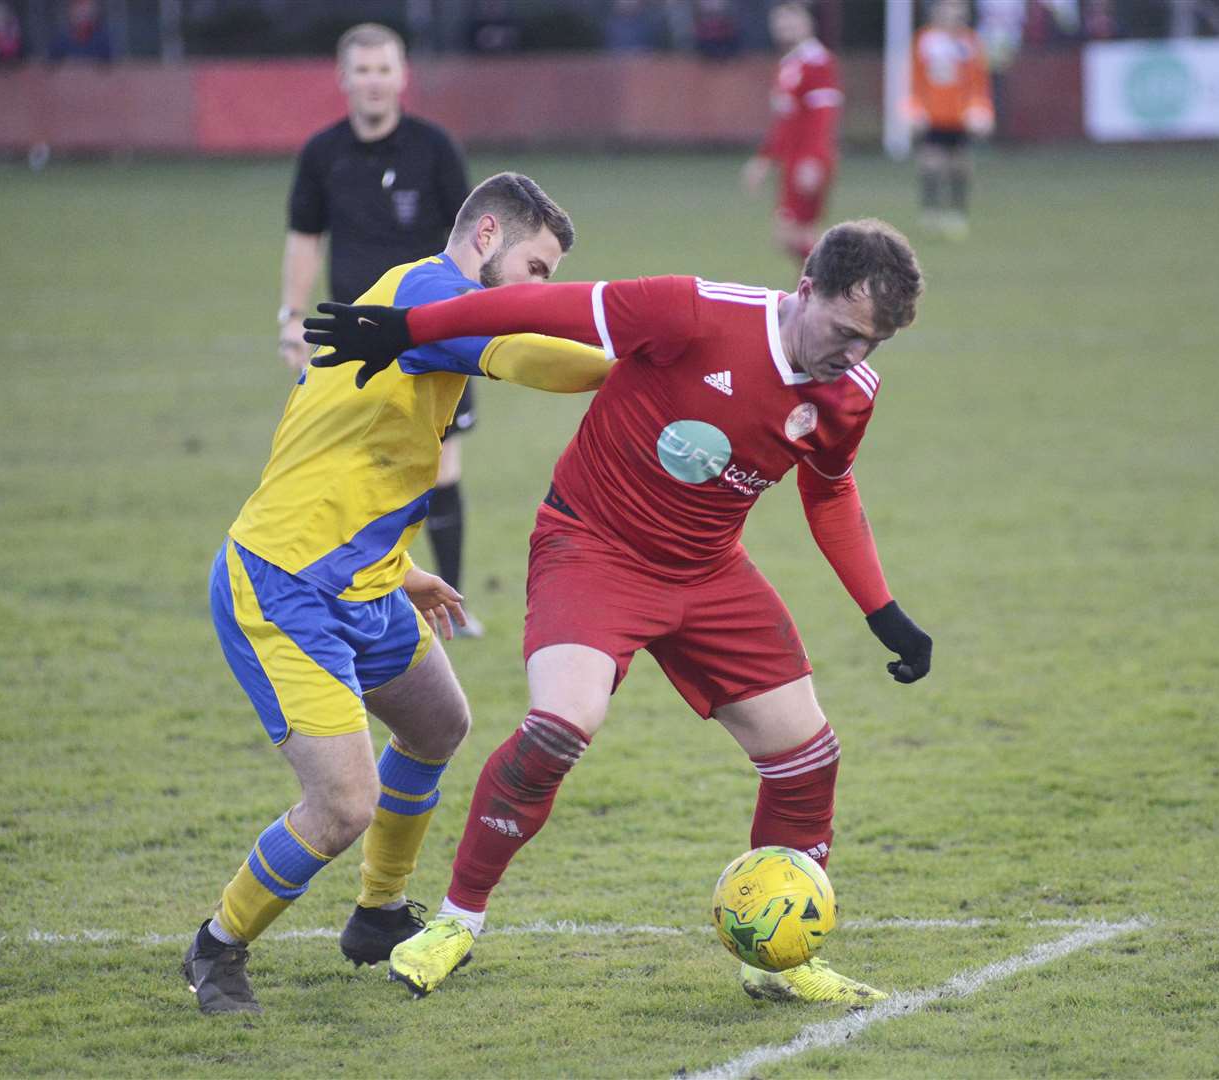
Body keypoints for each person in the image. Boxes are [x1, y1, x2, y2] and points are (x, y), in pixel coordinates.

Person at [303, 218, 933, 1005]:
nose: (853, 356)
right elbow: (542, 309)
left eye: (871, 344)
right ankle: (456, 923)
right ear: (805, 290)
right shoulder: (692, 313)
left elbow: (830, 489)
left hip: (708, 570)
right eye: (844, 332)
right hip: (592, 548)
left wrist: (883, 611)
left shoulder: (849, 392)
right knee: (559, 729)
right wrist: (407, 328)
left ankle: (779, 961)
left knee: (808, 757)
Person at [182, 173, 612, 1016]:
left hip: (361, 575)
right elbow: (526, 356)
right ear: (485, 235)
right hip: (284, 583)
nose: (542, 291)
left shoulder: (420, 299)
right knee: (342, 803)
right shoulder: (429, 293)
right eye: (538, 268)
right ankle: (215, 948)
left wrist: (401, 565)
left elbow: (355, 440)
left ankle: (377, 914)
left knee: (438, 722)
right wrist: (635, 364)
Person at [277, 24, 487, 634]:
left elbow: (474, 238)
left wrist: (467, 315)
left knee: (440, 465)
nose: (373, 81)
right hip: (355, 339)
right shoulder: (322, 153)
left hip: (434, 332)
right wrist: (291, 319)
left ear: (403, 76)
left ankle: (454, 603)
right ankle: (356, 592)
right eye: (361, 70)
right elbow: (304, 239)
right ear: (343, 80)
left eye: (383, 69)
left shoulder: (435, 148)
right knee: (356, 467)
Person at [741, 2, 843, 265]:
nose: (785, 27)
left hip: (809, 158)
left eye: (792, 21)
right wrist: (764, 160)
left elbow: (824, 117)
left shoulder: (818, 62)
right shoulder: (789, 63)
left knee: (795, 234)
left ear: (808, 23)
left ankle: (832, 285)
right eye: (780, 22)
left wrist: (813, 158)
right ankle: (814, 295)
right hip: (793, 158)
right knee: (795, 235)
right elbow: (784, 123)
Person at [907, 0, 994, 241]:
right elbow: (914, 79)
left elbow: (979, 81)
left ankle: (957, 213)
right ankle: (931, 210)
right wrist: (914, 109)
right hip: (933, 114)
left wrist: (982, 110)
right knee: (931, 164)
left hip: (961, 115)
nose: (953, 16)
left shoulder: (970, 42)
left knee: (961, 165)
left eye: (958, 11)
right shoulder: (923, 40)